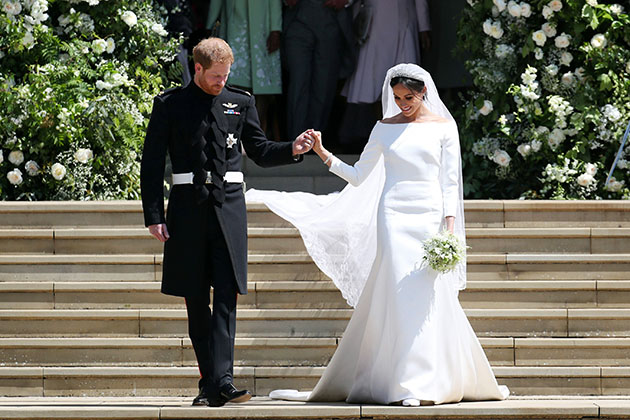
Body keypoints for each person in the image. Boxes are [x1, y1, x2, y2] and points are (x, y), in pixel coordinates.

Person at [247, 63, 509, 405]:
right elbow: (358, 175)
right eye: (397, 97)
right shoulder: (384, 128)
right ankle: (405, 384)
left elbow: (449, 182)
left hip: (429, 215)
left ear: (423, 93)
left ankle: (429, 379)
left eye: (409, 97)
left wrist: (448, 230)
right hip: (393, 215)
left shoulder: (444, 127)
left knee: (428, 294)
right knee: (399, 293)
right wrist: (323, 152)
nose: (402, 103)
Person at [140, 37, 313, 407]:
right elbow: (152, 163)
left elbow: (260, 150)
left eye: (226, 75)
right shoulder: (170, 104)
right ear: (198, 69)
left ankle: (224, 380)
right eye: (215, 76)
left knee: (227, 298)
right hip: (186, 210)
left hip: (230, 209)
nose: (221, 82)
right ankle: (210, 384)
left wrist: (293, 149)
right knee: (195, 298)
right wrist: (153, 215)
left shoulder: (241, 101)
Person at [339, 0, 431, 151]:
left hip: (403, 20)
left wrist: (424, 26)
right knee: (372, 83)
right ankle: (376, 137)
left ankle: (399, 139)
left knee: (404, 81)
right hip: (375, 21)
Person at [206, 0, 283, 138]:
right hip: (234, 25)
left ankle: (257, 136)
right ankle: (231, 134)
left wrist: (276, 29)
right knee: (231, 82)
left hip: (263, 28)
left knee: (262, 87)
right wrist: (209, 26)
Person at [282, 0, 357, 140]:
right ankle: (296, 140)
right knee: (298, 83)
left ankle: (315, 141)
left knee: (324, 86)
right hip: (298, 20)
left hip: (331, 19)